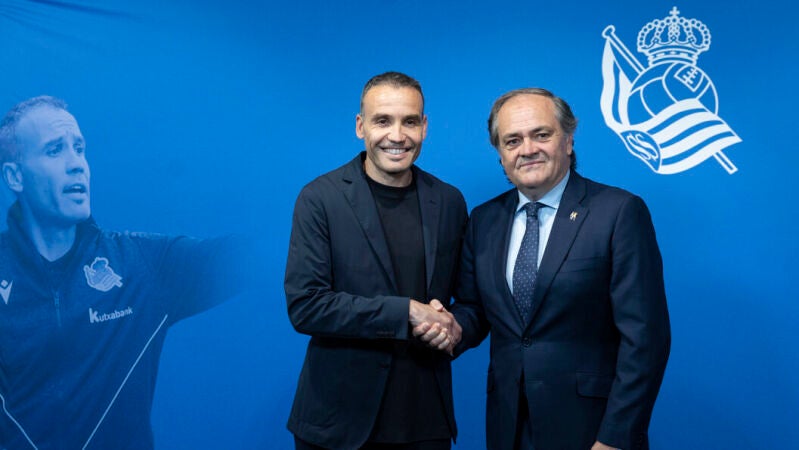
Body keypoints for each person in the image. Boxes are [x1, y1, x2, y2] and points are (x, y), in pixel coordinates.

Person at [0, 96, 252, 449]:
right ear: (15, 176)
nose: (77, 165)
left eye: (79, 149)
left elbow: (258, 252)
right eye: (55, 150)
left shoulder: (142, 265)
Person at [445, 88, 671, 450]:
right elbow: (475, 309)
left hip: (592, 432)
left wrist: (616, 437)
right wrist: (449, 327)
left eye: (541, 134)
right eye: (512, 140)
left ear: (568, 140)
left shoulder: (618, 212)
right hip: (508, 428)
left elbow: (645, 339)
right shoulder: (484, 220)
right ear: (500, 154)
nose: (527, 149)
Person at [284, 71, 466, 450]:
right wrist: (406, 312)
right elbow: (306, 306)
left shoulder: (449, 201)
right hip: (338, 424)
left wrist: (453, 328)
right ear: (360, 126)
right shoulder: (320, 199)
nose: (397, 135)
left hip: (425, 421)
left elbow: (470, 303)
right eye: (383, 121)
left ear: (424, 127)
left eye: (409, 122)